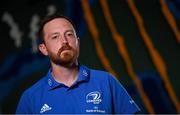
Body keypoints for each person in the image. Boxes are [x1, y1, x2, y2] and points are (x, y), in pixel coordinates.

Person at [16, 13, 140, 114]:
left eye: (69, 34)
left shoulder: (106, 81)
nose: (64, 41)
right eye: (55, 37)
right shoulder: (30, 98)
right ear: (44, 49)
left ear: (77, 42)